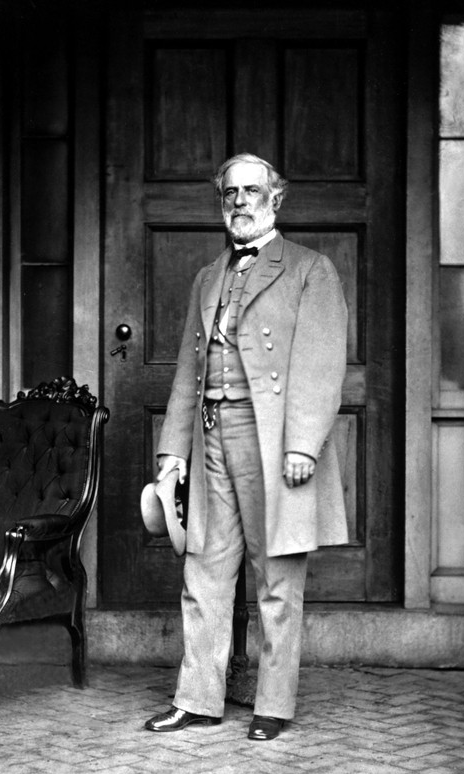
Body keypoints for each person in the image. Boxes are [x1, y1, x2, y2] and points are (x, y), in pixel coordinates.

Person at [144, 153, 348, 741]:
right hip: (210, 435)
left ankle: (273, 705)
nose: (239, 202)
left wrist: (303, 444)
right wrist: (172, 452)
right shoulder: (207, 276)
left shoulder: (310, 269)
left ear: (275, 199)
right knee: (203, 568)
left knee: (277, 575)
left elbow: (320, 364)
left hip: (273, 441)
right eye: (229, 193)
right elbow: (189, 369)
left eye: (251, 191)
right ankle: (198, 698)